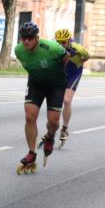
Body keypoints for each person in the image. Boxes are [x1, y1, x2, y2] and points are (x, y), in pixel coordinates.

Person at [14, 22, 73, 173]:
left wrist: (58, 70)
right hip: (36, 83)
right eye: (24, 38)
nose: (26, 41)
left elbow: (66, 56)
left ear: (37, 38)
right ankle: (31, 153)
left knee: (53, 121)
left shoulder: (51, 47)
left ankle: (50, 136)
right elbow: (28, 65)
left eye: (30, 38)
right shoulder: (19, 50)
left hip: (56, 85)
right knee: (29, 116)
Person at [53, 28, 91, 147]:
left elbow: (87, 56)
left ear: (68, 41)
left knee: (67, 100)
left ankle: (64, 128)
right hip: (62, 73)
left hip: (74, 73)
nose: (61, 45)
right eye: (58, 42)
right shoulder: (55, 48)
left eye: (63, 42)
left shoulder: (77, 48)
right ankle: (52, 127)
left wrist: (80, 61)